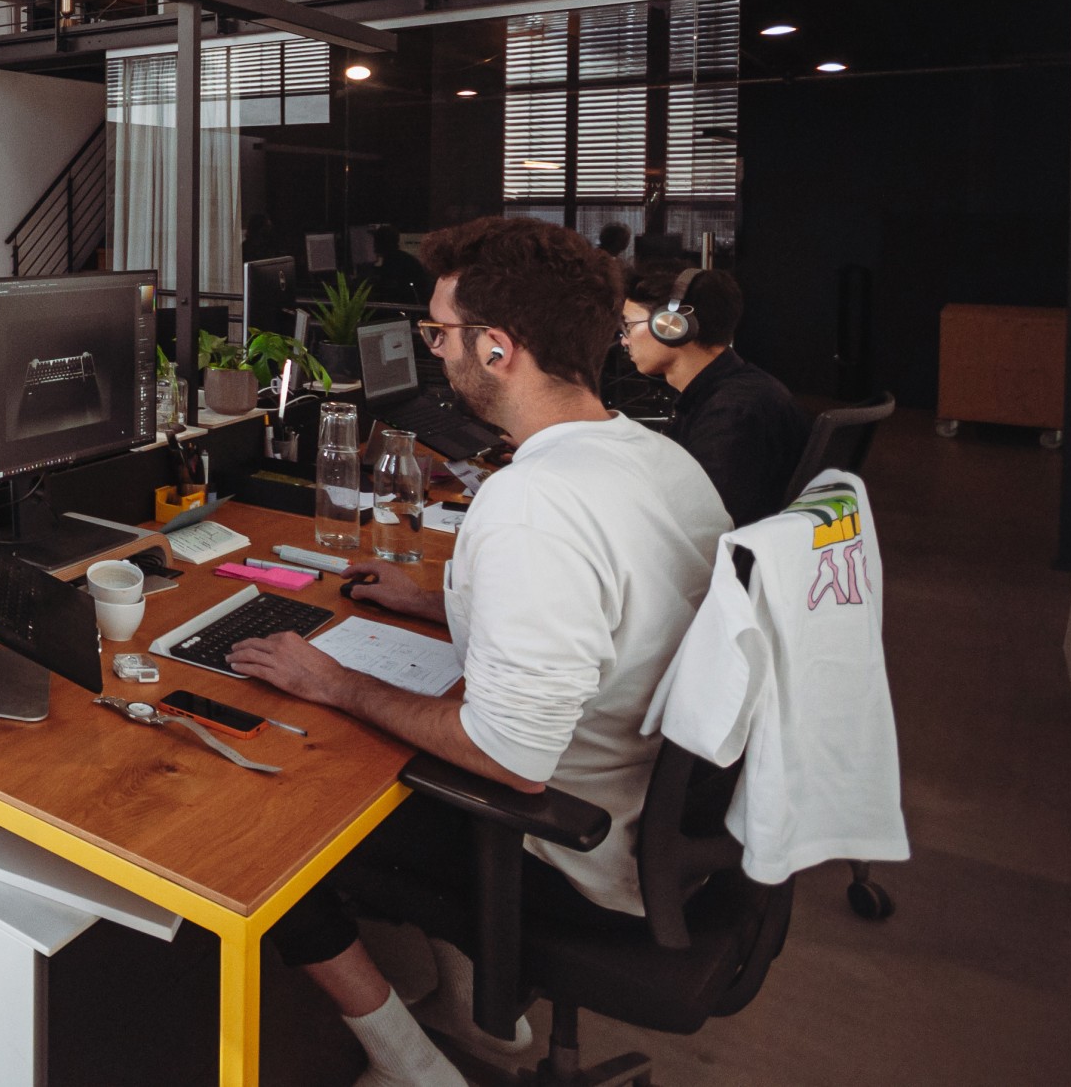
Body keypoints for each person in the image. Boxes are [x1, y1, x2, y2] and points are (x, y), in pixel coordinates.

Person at [225, 216, 731, 1087]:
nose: (434, 350)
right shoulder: (657, 460)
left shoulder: (534, 503)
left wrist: (335, 682)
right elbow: (610, 609)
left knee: (264, 823)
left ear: (496, 348)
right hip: (662, 819)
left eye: (439, 333)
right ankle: (480, 1013)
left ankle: (413, 1066)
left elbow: (510, 759)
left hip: (573, 853)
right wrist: (435, 600)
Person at [622, 267, 811, 525]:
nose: (624, 340)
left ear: (671, 326)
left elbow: (703, 523)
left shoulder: (732, 413)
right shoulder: (734, 393)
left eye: (629, 325)